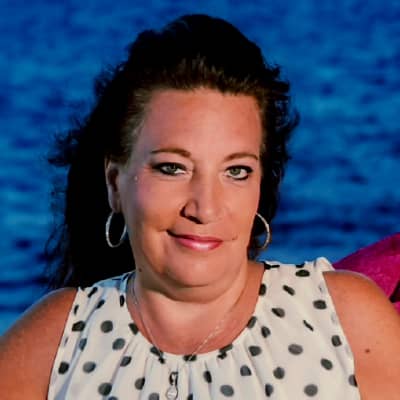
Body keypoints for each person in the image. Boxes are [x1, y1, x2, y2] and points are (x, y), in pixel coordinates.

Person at [0, 14, 399, 400]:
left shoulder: (345, 321)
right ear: (115, 183)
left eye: (236, 171)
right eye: (172, 168)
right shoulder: (50, 346)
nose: (205, 208)